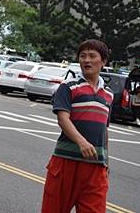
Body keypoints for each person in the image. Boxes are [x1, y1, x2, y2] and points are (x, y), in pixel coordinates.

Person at [41, 39, 114, 213]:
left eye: (92, 56)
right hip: (66, 163)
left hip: (95, 167)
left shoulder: (109, 94)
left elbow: (104, 129)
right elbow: (63, 119)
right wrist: (81, 142)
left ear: (103, 61)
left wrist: (106, 161)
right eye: (83, 56)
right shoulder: (68, 87)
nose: (86, 60)